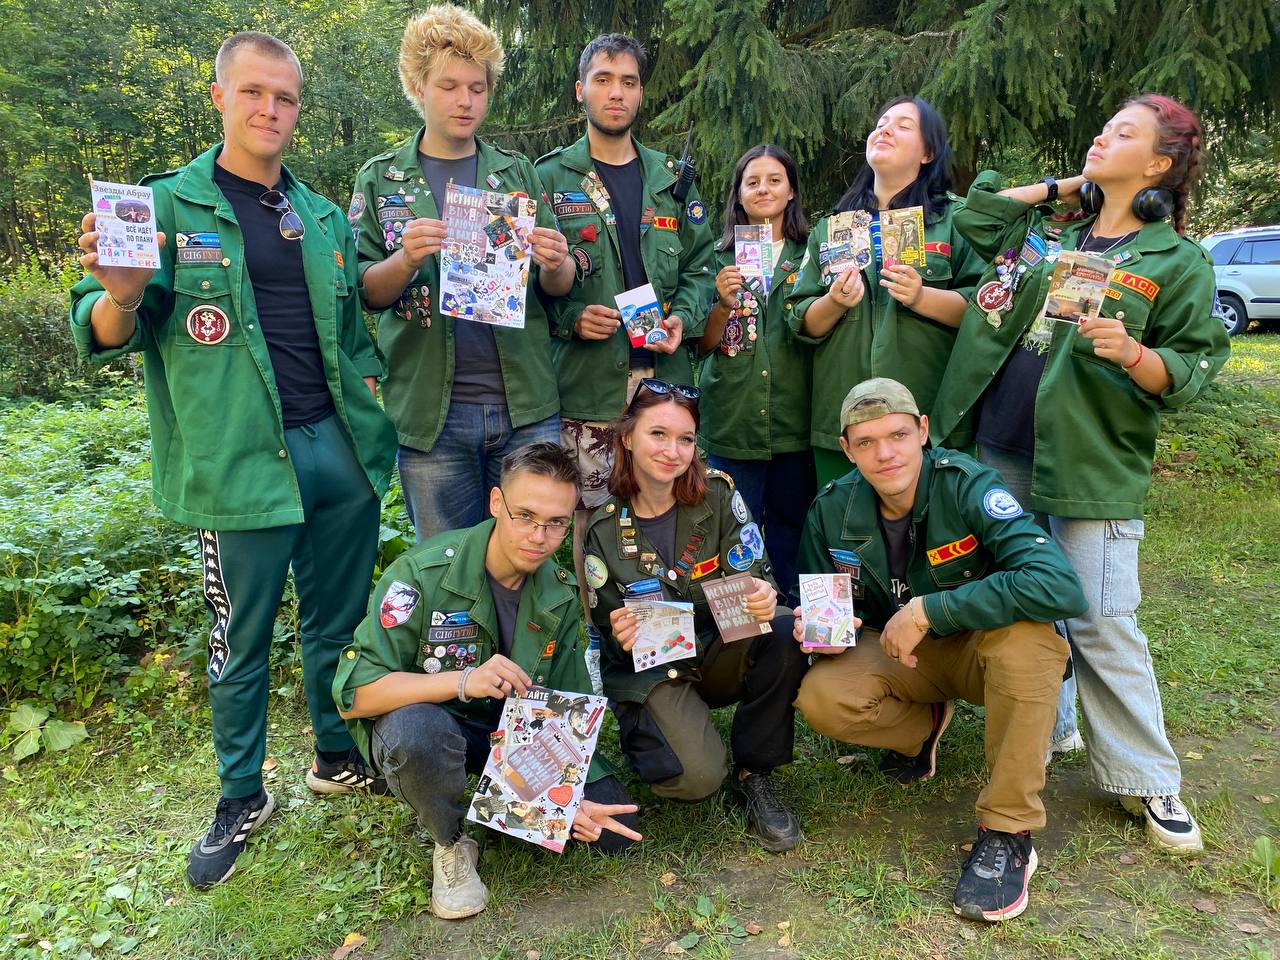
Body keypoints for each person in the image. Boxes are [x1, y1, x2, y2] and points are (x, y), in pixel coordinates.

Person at [68, 32, 399, 889]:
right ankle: (241, 795)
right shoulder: (163, 206)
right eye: (253, 92)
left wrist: (369, 411)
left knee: (337, 624)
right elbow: (103, 329)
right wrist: (120, 293)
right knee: (240, 638)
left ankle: (335, 756)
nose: (269, 110)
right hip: (239, 463)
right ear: (219, 97)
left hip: (338, 452)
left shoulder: (319, 215)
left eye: (284, 97)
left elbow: (352, 336)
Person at [930, 94, 1230, 853]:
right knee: (1024, 601)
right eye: (1102, 129)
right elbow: (974, 217)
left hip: (1090, 462)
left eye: (1123, 134)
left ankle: (1146, 777)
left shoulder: (1176, 261)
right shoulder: (1053, 230)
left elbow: (1191, 369)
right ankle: (1055, 725)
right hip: (999, 445)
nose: (1102, 137)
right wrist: (1072, 184)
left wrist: (1132, 353)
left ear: (1158, 164)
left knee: (1100, 616)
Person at [793, 378, 1087, 922]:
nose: (885, 454)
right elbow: (817, 605)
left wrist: (930, 610)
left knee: (1030, 644)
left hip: (982, 649)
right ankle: (923, 729)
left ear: (923, 431)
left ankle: (1009, 830)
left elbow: (1059, 585)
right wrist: (818, 631)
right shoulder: (832, 508)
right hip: (904, 658)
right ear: (846, 449)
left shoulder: (968, 486)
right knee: (824, 696)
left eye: (898, 435)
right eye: (866, 442)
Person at [335, 442, 641, 920]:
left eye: (556, 523)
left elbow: (564, 708)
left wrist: (564, 799)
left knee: (610, 831)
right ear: (497, 503)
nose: (539, 537)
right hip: (434, 729)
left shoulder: (560, 591)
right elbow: (355, 696)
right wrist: (463, 681)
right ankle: (451, 841)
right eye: (525, 516)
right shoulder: (421, 574)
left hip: (511, 738)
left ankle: (501, 795)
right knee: (418, 734)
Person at [350, 4, 574, 540]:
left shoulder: (516, 173)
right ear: (418, 87)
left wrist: (557, 261)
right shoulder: (382, 180)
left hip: (525, 408)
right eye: (449, 86)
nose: (465, 101)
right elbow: (364, 292)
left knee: (529, 553)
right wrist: (405, 259)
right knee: (446, 563)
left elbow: (557, 289)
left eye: (477, 87)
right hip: (432, 414)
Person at [582, 380, 808, 852]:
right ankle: (657, 727)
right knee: (695, 779)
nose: (673, 451)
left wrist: (763, 594)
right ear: (627, 437)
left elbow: (756, 572)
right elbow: (606, 627)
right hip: (656, 669)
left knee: (783, 627)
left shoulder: (718, 495)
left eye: (685, 439)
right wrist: (619, 631)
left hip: (720, 648)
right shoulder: (602, 529)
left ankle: (756, 772)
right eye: (658, 434)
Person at [534, 33, 716, 618]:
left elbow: (701, 266)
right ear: (580, 89)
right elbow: (521, 286)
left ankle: (672, 637)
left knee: (670, 509)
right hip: (588, 386)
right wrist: (570, 318)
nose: (617, 93)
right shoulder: (548, 178)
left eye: (629, 82)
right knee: (590, 519)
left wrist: (682, 317)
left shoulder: (671, 178)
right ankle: (597, 637)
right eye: (604, 80)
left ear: (640, 93)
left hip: (664, 382)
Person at [784, 97, 985, 487]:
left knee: (935, 520)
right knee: (846, 520)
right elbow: (801, 320)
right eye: (881, 123)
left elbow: (986, 309)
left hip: (931, 419)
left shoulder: (957, 221)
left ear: (927, 153)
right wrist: (834, 302)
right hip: (844, 421)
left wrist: (922, 297)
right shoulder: (834, 227)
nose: (885, 129)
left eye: (903, 125)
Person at [696, 144, 814, 606]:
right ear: (739, 195)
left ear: (792, 191)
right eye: (753, 181)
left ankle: (795, 625)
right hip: (734, 420)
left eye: (774, 180)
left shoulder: (813, 253)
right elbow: (701, 346)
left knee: (794, 535)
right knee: (733, 536)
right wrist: (722, 305)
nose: (763, 189)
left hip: (795, 421)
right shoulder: (715, 259)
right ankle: (743, 636)